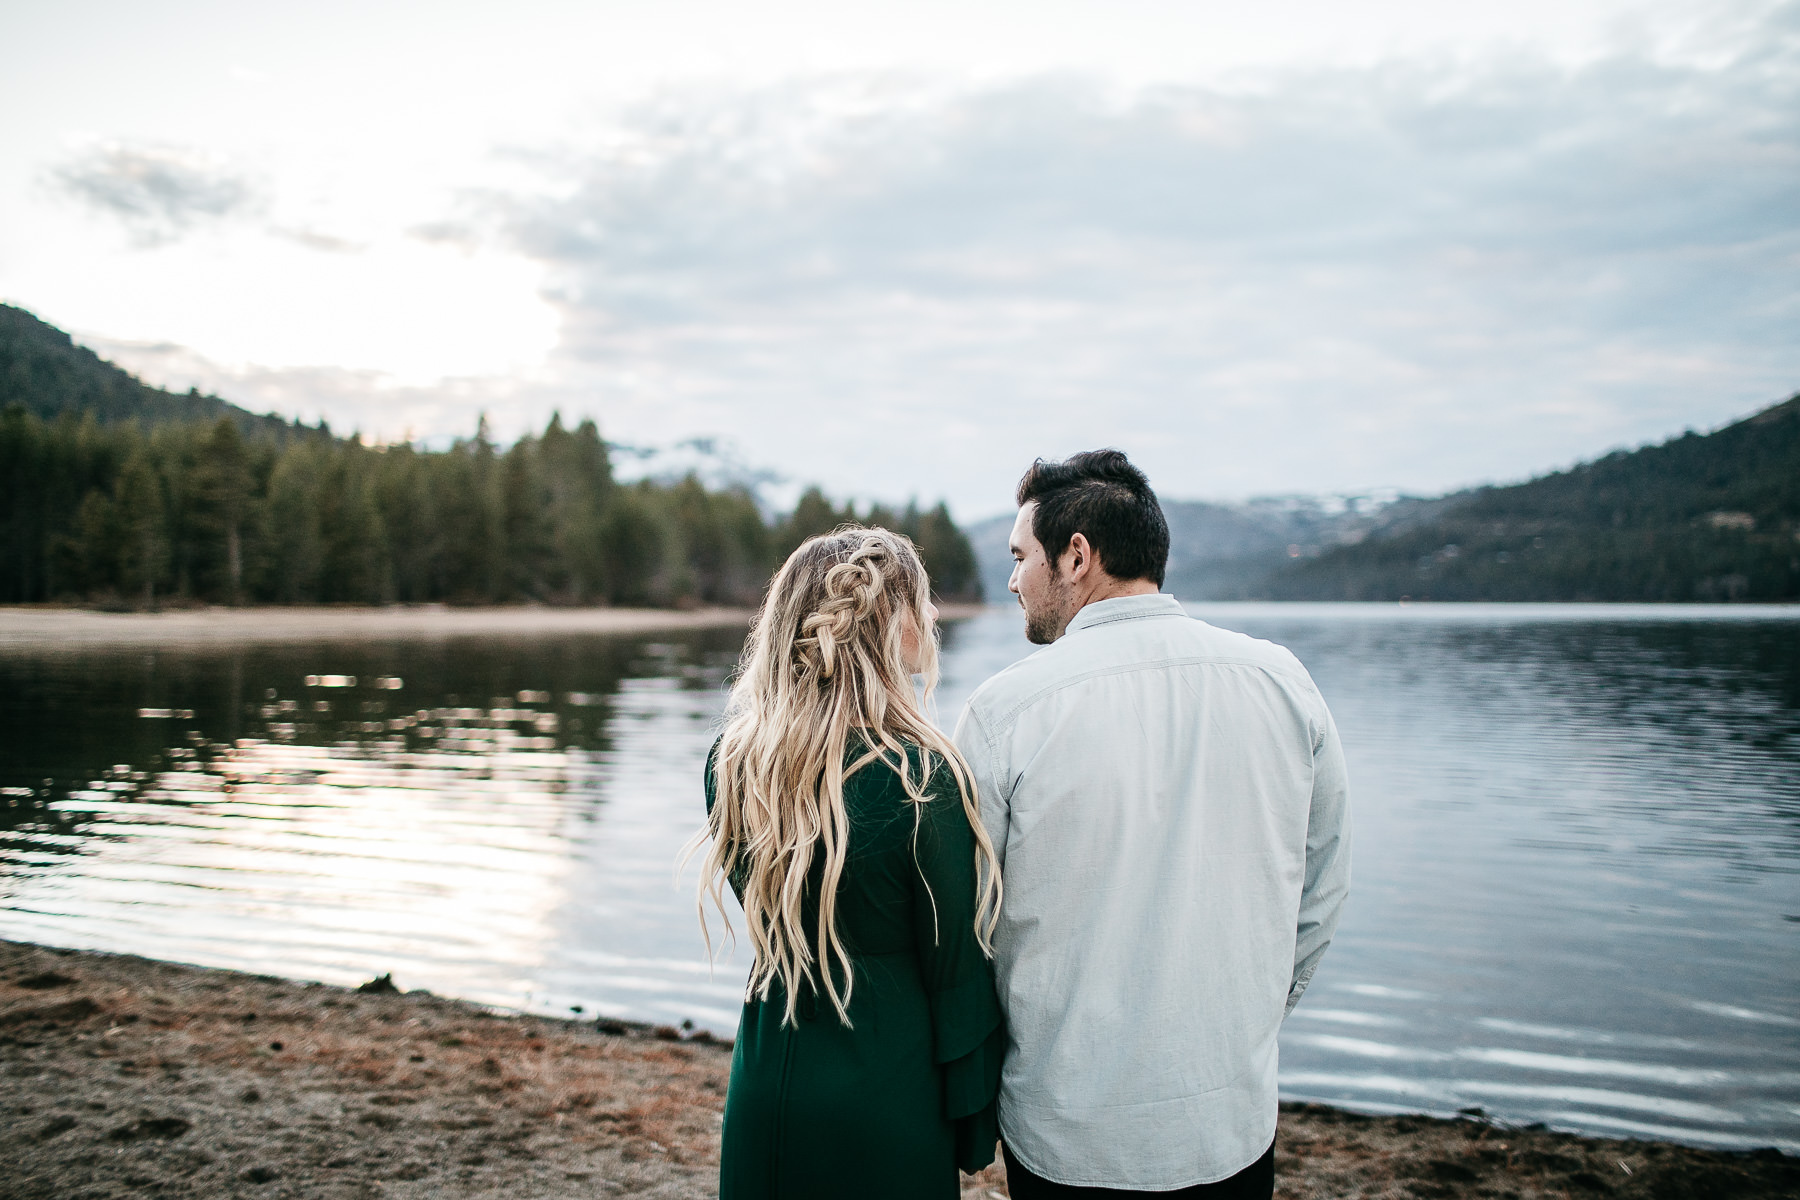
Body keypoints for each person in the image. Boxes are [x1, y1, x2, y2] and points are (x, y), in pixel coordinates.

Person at [952, 450, 1352, 1199]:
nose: (1012, 581)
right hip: (1228, 1121)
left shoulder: (1006, 711)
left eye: (1019, 558)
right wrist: (1256, 1010)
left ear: (1076, 556)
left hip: (1068, 1129)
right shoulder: (1282, 682)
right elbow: (1324, 885)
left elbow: (970, 924)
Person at [694, 526, 1007, 1200]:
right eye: (918, 603)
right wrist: (974, 1120)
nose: (929, 618)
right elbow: (956, 969)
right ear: (886, 624)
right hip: (886, 1093)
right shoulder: (921, 779)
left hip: (764, 1082)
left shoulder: (733, 762)